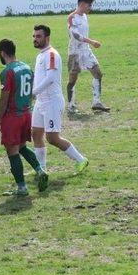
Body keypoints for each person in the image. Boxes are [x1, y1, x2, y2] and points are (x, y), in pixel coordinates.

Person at [31, 25, 90, 182]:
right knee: (36, 134)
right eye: (34, 36)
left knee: (52, 138)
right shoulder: (40, 56)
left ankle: (81, 160)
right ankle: (40, 169)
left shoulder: (51, 55)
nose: (35, 39)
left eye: (38, 36)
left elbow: (50, 78)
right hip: (40, 101)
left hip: (51, 101)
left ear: (47, 38)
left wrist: (33, 92)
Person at [0, 39, 48, 195]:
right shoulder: (26, 67)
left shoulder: (7, 72)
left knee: (13, 152)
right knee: (22, 146)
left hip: (12, 117)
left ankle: (22, 188)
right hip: (26, 114)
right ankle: (40, 170)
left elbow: (4, 98)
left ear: (2, 53)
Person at [66, 0, 110, 113]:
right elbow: (75, 35)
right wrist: (91, 41)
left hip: (86, 51)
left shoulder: (85, 16)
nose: (90, 7)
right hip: (74, 52)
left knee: (98, 74)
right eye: (89, 5)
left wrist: (89, 44)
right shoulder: (72, 17)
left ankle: (96, 102)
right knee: (72, 80)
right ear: (82, 4)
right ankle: (71, 105)